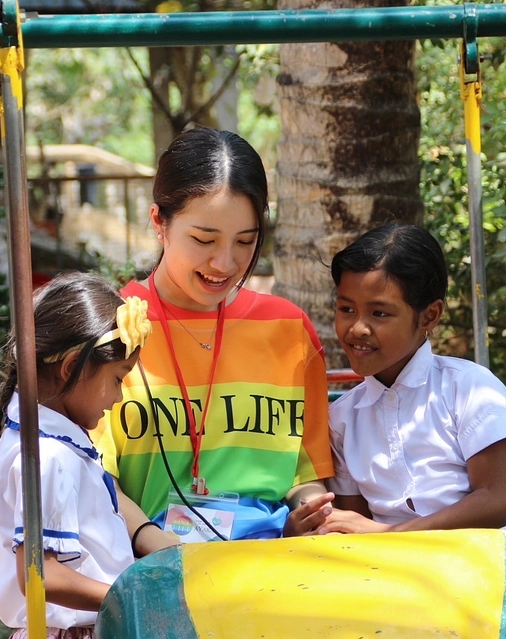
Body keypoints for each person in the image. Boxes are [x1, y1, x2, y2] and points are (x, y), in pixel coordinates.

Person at [93, 126, 334, 552]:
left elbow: (305, 473)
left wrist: (313, 514)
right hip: (154, 572)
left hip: (275, 571)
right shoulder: (111, 328)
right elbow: (95, 475)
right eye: (204, 240)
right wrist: (157, 546)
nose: (225, 263)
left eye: (246, 241)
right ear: (159, 223)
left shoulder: (288, 330)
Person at [0, 272, 154, 637]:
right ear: (72, 367)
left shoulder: (41, 440)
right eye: (118, 378)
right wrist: (129, 597)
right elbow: (41, 575)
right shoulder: (48, 455)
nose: (119, 397)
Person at [322, 223, 506, 536]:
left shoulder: (469, 389)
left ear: (429, 316)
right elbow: (355, 527)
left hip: (484, 566)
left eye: (379, 314)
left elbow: (496, 501)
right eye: (346, 309)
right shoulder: (342, 420)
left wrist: (392, 535)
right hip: (392, 574)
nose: (357, 328)